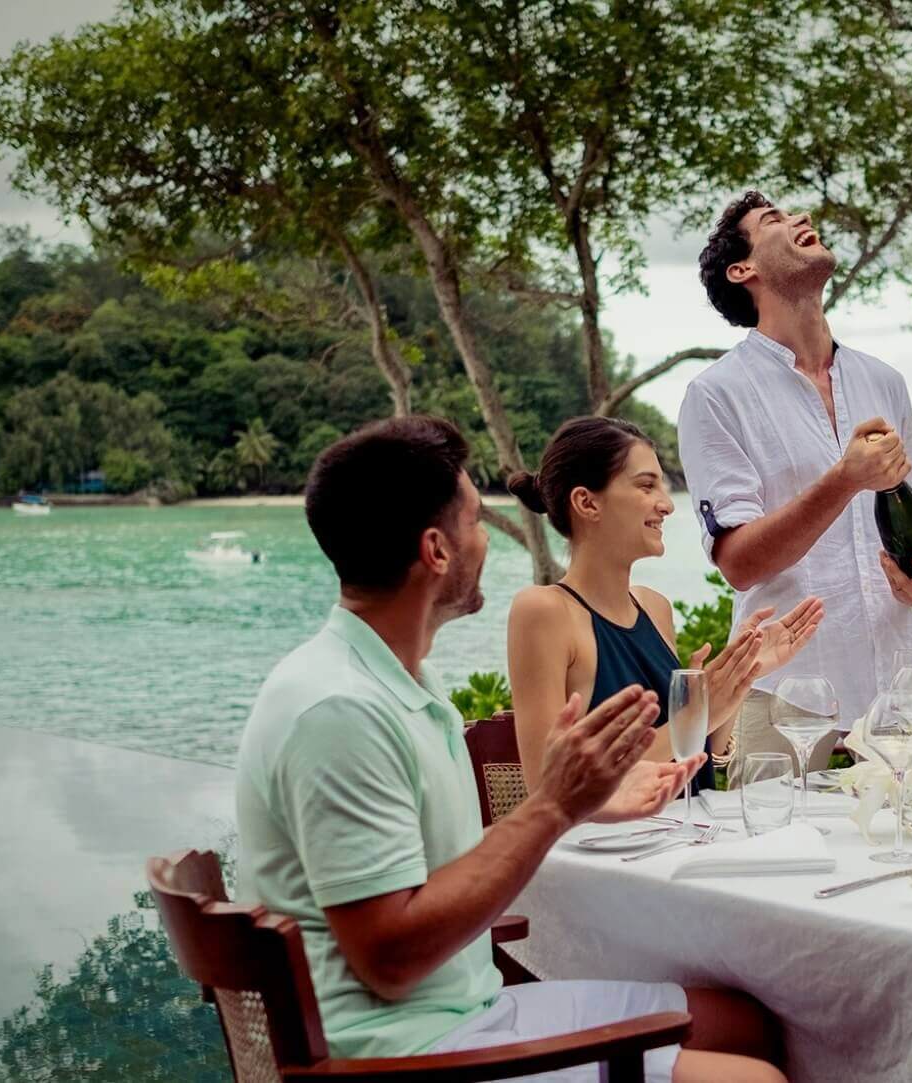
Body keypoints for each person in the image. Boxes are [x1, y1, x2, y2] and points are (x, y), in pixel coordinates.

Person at [234, 416, 787, 1082]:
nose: (487, 539)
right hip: (405, 1055)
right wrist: (553, 806)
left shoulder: (403, 679)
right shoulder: (338, 709)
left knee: (746, 1021)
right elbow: (389, 957)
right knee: (753, 1079)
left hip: (470, 1009)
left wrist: (582, 802)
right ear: (436, 550)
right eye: (475, 522)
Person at [681, 191, 912, 774]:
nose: (801, 220)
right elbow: (741, 563)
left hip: (902, 692)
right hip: (785, 700)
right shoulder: (715, 395)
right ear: (742, 270)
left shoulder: (885, 382)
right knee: (779, 860)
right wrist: (845, 480)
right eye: (774, 220)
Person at [506, 416, 824, 796]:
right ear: (586, 502)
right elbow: (549, 785)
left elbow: (692, 755)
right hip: (605, 850)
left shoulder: (654, 608)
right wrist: (694, 716)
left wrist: (741, 674)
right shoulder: (543, 612)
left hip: (683, 835)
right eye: (646, 486)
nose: (666, 505)